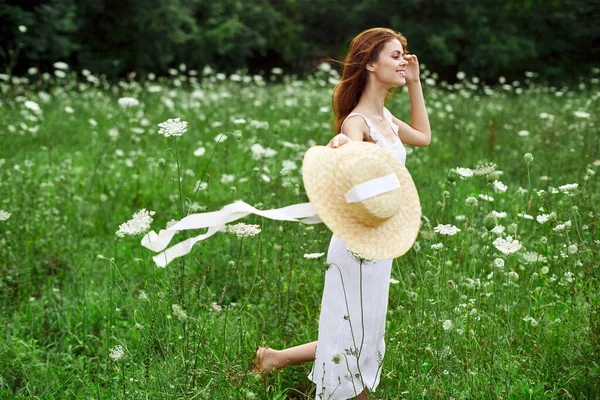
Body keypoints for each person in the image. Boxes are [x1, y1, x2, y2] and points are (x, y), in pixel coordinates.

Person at [254, 27, 431, 400]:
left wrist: (414, 83)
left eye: (405, 55)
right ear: (370, 64)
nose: (404, 61)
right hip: (356, 246)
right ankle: (346, 393)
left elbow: (423, 136)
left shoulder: (386, 118)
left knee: (363, 329)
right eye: (395, 56)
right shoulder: (357, 122)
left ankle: (274, 359)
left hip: (379, 241)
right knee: (353, 331)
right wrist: (340, 145)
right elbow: (347, 149)